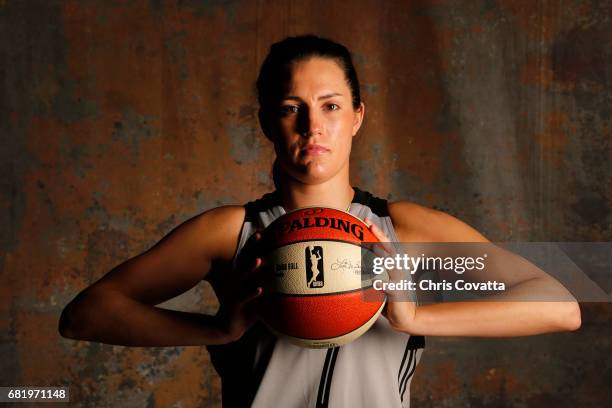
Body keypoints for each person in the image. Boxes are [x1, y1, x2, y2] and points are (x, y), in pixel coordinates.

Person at [59, 35, 581, 407]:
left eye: (330, 106)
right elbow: (84, 316)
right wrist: (216, 330)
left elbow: (560, 306)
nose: (313, 125)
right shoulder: (231, 232)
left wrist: (415, 320)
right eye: (292, 108)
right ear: (267, 121)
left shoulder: (406, 229)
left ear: (357, 115)